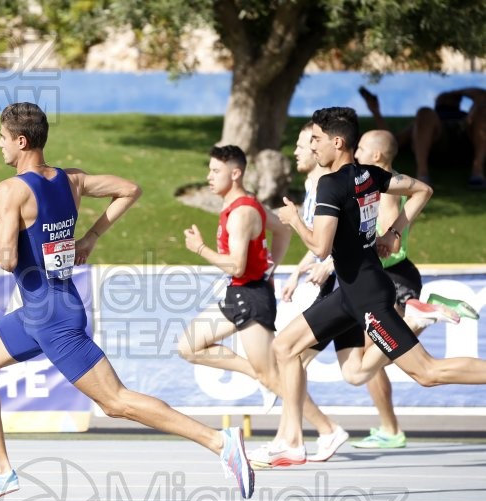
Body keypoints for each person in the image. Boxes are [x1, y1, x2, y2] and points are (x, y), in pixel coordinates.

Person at [0, 102, 254, 501]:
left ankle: (220, 441)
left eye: (2, 138)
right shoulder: (72, 180)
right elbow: (130, 189)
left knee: (116, 402)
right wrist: (92, 237)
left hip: (53, 319)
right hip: (41, 309)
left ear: (20, 141)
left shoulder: (10, 192)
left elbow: (8, 260)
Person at [271, 107, 486, 457]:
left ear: (337, 142)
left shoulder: (330, 184)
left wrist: (294, 219)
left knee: (427, 373)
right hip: (351, 291)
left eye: (316, 140)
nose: (312, 148)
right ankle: (292, 441)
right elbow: (423, 190)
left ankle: (295, 439)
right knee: (287, 349)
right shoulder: (369, 174)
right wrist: (395, 232)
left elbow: (320, 246)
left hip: (368, 296)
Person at [179, 143, 346, 466]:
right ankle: (259, 375)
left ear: (236, 173)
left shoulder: (242, 212)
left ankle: (328, 429)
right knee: (189, 346)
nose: (209, 177)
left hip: (251, 296)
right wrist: (272, 266)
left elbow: (237, 266)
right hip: (238, 294)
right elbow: (282, 230)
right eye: (210, 170)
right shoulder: (245, 205)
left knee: (273, 377)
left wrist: (200, 249)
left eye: (216, 171)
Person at [359, 86, 486, 189]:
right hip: (438, 144)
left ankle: (477, 171)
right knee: (424, 111)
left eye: (450, 97)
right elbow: (392, 141)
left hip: (467, 142)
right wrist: (375, 111)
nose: (446, 98)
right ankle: (423, 174)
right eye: (443, 97)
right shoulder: (426, 120)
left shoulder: (467, 117)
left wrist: (457, 92)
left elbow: (482, 96)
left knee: (482, 109)